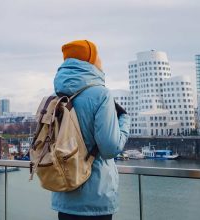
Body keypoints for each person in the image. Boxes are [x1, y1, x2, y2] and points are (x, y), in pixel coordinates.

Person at [52, 40, 130, 220]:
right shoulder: (101, 94)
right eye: (98, 55)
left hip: (64, 193)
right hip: (95, 197)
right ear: (90, 60)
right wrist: (124, 122)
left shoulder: (56, 95)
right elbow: (110, 148)